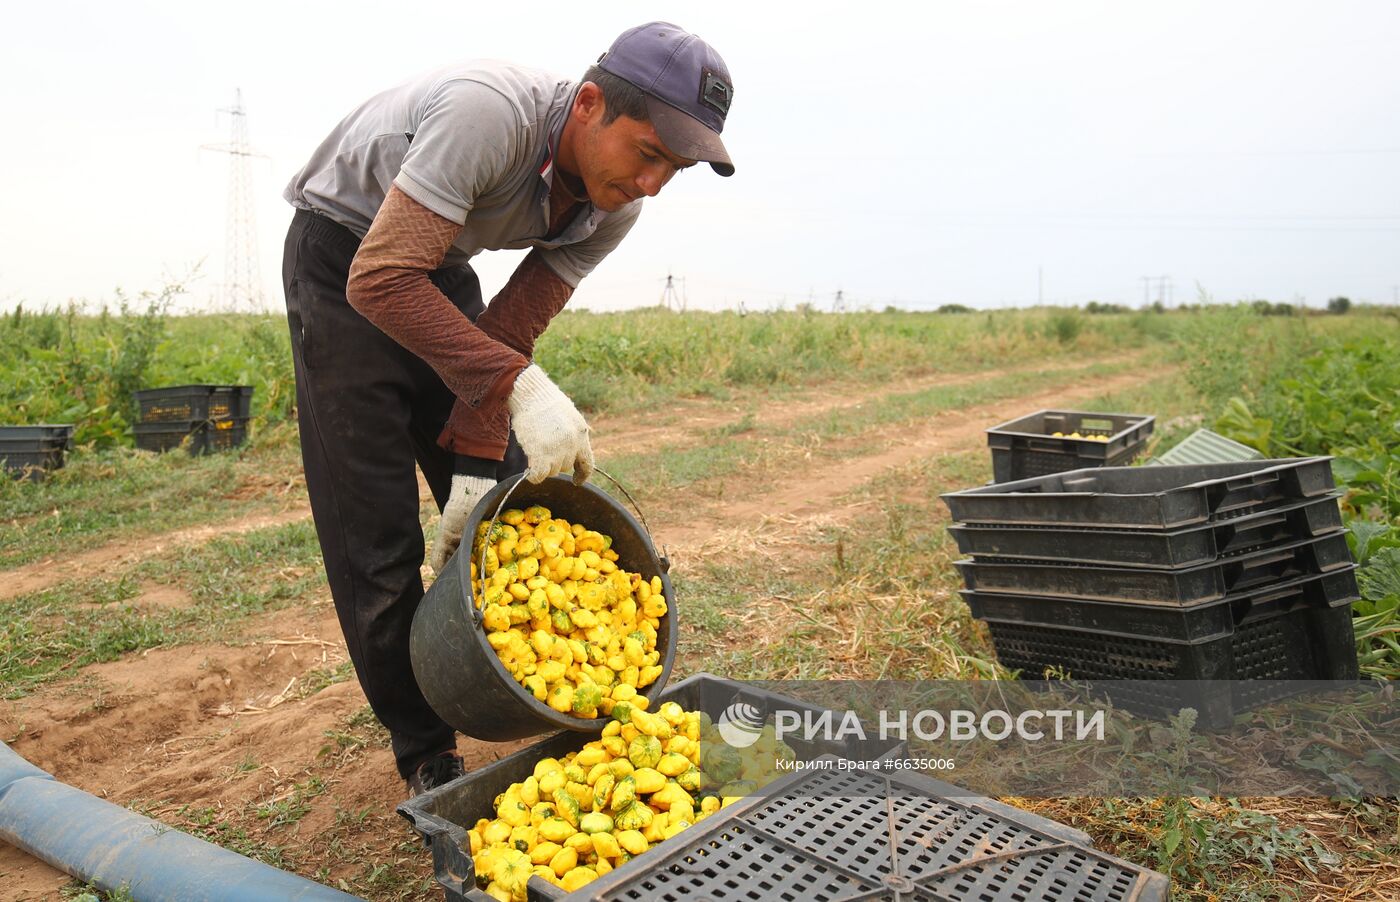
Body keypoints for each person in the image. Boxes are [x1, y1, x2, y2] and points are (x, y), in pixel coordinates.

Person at [279, 22, 735, 795]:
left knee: (513, 500)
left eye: (675, 168)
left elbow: (507, 334)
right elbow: (380, 280)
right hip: (343, 257)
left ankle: (569, 689)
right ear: (588, 105)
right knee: (375, 541)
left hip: (435, 261)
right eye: (648, 153)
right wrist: (520, 388)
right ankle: (426, 751)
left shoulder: (613, 207)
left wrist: (475, 462)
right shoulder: (487, 114)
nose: (653, 184)